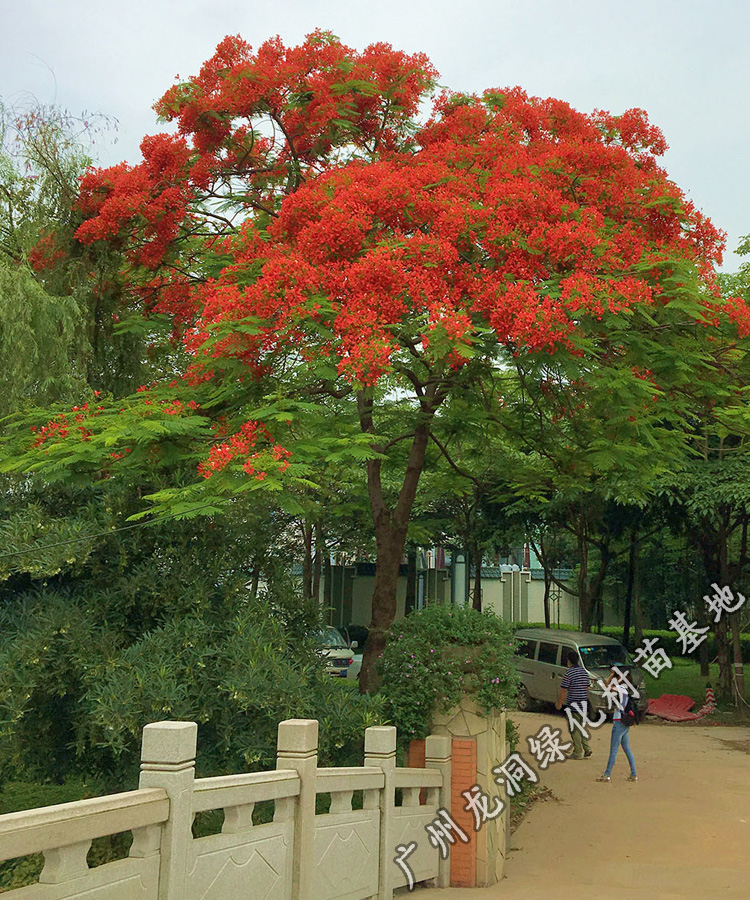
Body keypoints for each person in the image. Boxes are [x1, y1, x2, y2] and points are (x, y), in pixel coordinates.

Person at [596, 666, 638, 783]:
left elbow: (606, 686)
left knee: (614, 750)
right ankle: (633, 774)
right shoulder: (627, 689)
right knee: (627, 749)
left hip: (619, 722)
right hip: (625, 722)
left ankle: (607, 774)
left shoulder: (621, 688)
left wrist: (610, 675)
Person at [555, 649, 592, 760]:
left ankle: (577, 752)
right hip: (583, 703)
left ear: (569, 661)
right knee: (581, 727)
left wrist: (559, 703)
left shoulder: (569, 673)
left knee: (574, 729)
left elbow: (563, 690)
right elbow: (588, 686)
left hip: (573, 704)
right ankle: (587, 748)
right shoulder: (583, 671)